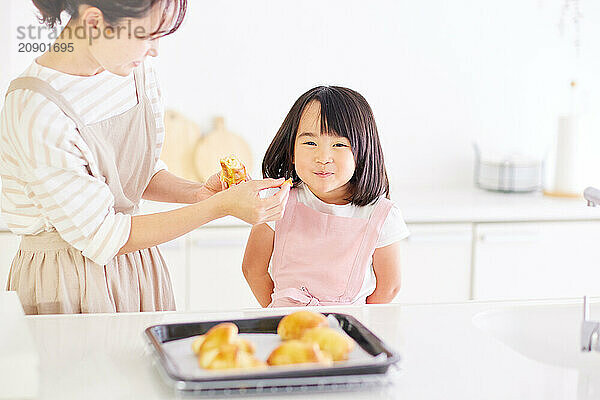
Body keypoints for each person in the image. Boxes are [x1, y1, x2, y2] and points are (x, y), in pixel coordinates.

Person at [0, 0, 290, 314]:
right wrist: (219, 206)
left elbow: (140, 171)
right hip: (66, 280)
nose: (155, 50)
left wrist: (199, 194)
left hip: (138, 264)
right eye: (146, 35)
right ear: (95, 22)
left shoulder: (132, 70)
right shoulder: (35, 109)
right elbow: (103, 236)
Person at [242, 86, 409, 307]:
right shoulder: (276, 201)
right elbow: (253, 269)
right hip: (287, 330)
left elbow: (389, 287)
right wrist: (277, 313)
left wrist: (357, 322)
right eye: (310, 143)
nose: (323, 157)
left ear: (362, 153)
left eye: (339, 144)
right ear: (291, 151)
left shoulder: (380, 215)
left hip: (348, 332)